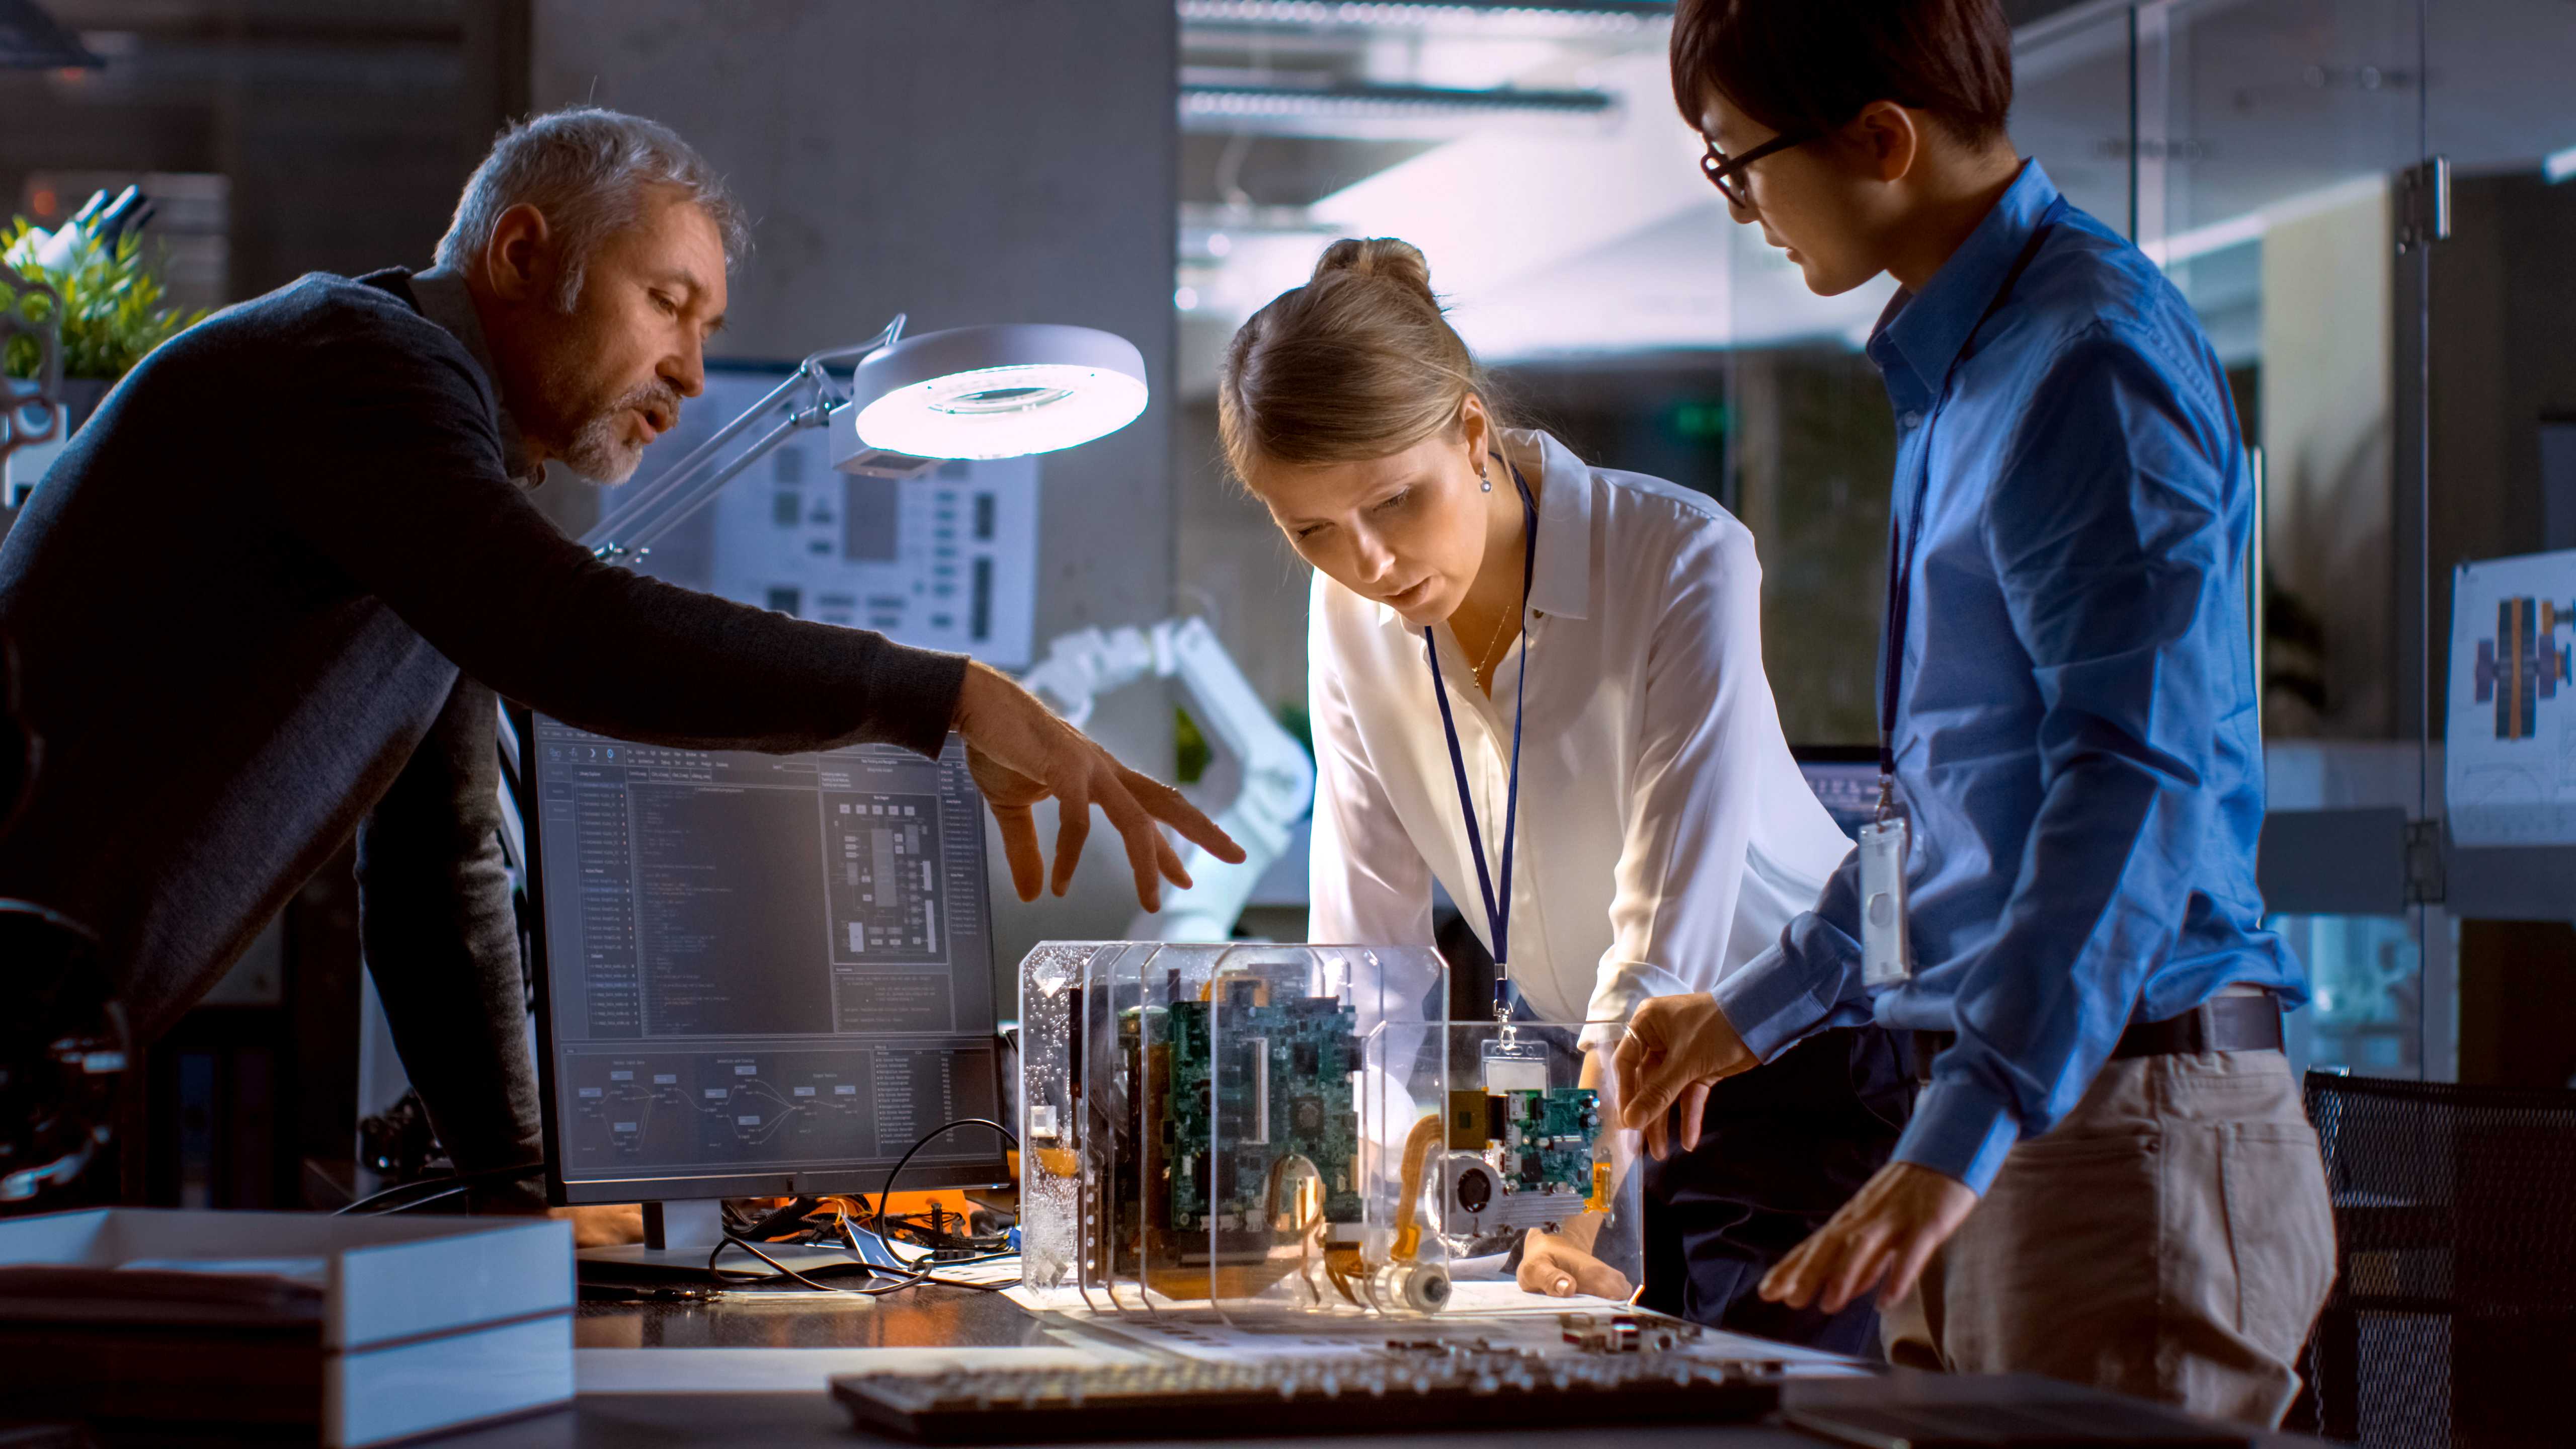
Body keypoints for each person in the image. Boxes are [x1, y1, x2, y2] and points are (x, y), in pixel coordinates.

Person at [0, 107, 1239, 1210]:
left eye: (706, 327)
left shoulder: (429, 489)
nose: (691, 373)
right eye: (666, 303)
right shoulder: (356, 365)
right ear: (522, 255)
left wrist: (519, 1192)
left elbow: (439, 875)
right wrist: (948, 694)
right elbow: (567, 630)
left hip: (42, 1036)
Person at [1612, 0, 2331, 1425]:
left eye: (1739, 164)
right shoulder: (1969, 369)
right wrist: (1751, 1014)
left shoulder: (2087, 363)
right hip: (2015, 1116)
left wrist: (1968, 1121)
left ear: (1882, 141)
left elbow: (2131, 780)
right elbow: (1947, 821)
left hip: (2110, 1129)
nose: (1743, 208)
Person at [1221, 237, 1907, 1351]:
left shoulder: (1679, 556)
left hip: (1786, 1055)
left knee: (1757, 1406)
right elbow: (1365, 953)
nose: (1369, 564)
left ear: (1471, 436)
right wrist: (1345, 1190)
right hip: (1577, 1076)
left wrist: (1574, 1210)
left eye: (1395, 502)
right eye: (1311, 531)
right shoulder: (1349, 614)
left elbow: (1658, 957)